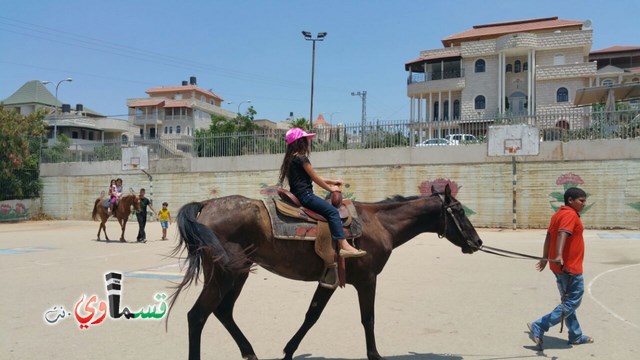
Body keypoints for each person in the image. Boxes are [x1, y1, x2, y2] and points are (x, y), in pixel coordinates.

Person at [278, 128, 366, 258]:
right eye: (305, 140)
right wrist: (331, 189)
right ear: (300, 142)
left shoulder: (291, 159)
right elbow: (315, 178)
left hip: (298, 195)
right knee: (332, 212)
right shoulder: (302, 159)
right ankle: (344, 245)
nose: (308, 143)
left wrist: (333, 181)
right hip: (306, 196)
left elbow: (310, 177)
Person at [527, 187, 593, 349]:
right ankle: (540, 325)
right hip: (569, 267)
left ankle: (575, 335)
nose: (584, 204)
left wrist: (545, 257)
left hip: (559, 267)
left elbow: (550, 236)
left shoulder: (557, 215)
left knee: (567, 302)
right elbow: (563, 233)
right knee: (572, 302)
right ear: (570, 200)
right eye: (581, 201)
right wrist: (558, 255)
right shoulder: (570, 214)